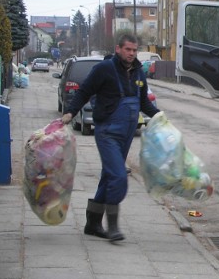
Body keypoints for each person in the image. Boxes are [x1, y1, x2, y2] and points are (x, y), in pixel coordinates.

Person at [62, 34, 160, 242]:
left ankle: (93, 223)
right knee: (118, 176)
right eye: (128, 50)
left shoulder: (138, 72)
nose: (131, 54)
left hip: (126, 134)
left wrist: (160, 117)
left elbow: (143, 103)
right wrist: (70, 112)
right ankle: (113, 226)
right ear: (118, 49)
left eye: (134, 50)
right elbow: (84, 91)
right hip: (107, 131)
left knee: (108, 178)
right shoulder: (104, 69)